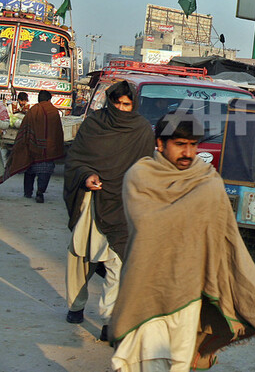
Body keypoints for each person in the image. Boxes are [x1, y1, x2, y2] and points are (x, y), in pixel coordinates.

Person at [110, 114, 255, 370]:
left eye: (193, 145)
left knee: (177, 363)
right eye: (180, 144)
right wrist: (200, 202)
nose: (188, 153)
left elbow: (227, 239)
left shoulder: (207, 179)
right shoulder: (141, 176)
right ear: (160, 144)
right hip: (146, 286)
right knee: (139, 361)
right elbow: (148, 227)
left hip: (188, 292)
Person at [63, 80, 155, 339]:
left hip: (123, 206)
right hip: (93, 203)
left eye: (126, 104)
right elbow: (75, 160)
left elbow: (145, 171)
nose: (121, 109)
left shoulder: (141, 131)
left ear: (133, 105)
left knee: (118, 263)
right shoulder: (94, 124)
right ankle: (75, 306)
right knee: (81, 256)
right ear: (110, 102)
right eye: (117, 103)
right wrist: (87, 176)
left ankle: (110, 321)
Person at [0, 90, 64, 203]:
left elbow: (25, 128)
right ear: (49, 100)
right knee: (45, 172)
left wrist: (24, 143)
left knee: (29, 170)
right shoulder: (54, 111)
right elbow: (57, 131)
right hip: (48, 150)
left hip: (32, 148)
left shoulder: (33, 110)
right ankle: (40, 193)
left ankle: (28, 192)